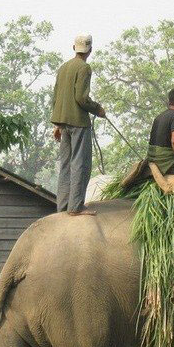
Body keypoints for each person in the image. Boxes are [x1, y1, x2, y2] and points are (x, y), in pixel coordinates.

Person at [51, 34, 105, 215]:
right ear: (90, 50)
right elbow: (81, 98)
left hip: (63, 121)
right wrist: (98, 109)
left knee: (65, 164)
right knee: (80, 163)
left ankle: (63, 206)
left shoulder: (63, 67)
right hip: (78, 122)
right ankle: (76, 207)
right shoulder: (84, 68)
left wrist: (57, 125)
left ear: (73, 47)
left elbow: (56, 95)